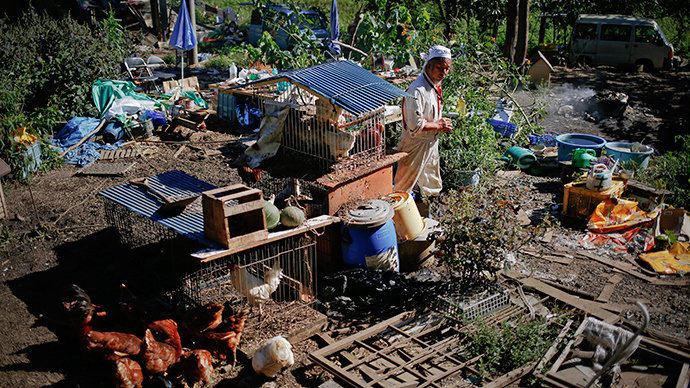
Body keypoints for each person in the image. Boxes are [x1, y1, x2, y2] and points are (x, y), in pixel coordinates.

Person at [394, 45, 453, 198]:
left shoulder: (434, 85)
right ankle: (398, 217)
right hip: (415, 143)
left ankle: (426, 213)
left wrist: (440, 123)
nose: (444, 73)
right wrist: (439, 125)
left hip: (431, 141)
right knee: (403, 185)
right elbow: (414, 124)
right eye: (439, 68)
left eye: (447, 69)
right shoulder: (417, 90)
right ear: (428, 66)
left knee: (431, 182)